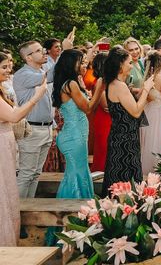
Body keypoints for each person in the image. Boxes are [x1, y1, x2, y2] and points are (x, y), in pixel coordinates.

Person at [45, 50, 104, 245]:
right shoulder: (70, 84)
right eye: (81, 61)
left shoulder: (71, 83)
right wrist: (99, 89)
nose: (84, 64)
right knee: (75, 177)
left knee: (78, 175)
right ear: (72, 63)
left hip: (75, 135)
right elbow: (88, 108)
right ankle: (70, 226)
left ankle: (81, 226)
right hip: (74, 137)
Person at [0, 51, 48, 246]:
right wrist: (36, 97)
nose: (8, 70)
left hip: (6, 143)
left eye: (8, 66)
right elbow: (13, 116)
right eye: (3, 67)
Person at [101, 46, 154, 196]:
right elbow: (136, 112)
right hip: (124, 142)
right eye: (129, 63)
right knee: (124, 181)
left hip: (124, 137)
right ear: (120, 65)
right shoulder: (119, 86)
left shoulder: (114, 83)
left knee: (120, 179)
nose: (132, 66)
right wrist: (146, 89)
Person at [13, 41, 54, 199]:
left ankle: (28, 209)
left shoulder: (40, 71)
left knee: (36, 173)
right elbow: (51, 75)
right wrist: (66, 52)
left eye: (42, 49)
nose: (44, 52)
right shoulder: (23, 74)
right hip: (32, 130)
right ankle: (18, 214)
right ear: (28, 57)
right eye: (38, 50)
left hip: (46, 128)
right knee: (26, 174)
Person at [140, 51, 161, 175]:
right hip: (159, 115)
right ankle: (158, 174)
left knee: (147, 144)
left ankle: (145, 174)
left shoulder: (147, 78)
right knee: (159, 144)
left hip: (147, 114)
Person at [90, 52, 110, 172]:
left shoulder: (106, 81)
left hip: (108, 118)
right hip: (104, 119)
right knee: (104, 149)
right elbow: (106, 105)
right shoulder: (99, 82)